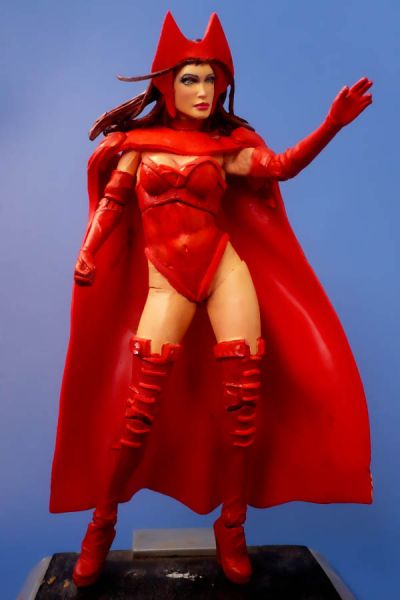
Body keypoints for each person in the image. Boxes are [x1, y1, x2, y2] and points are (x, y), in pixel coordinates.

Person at [50, 12, 373, 588]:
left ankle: (232, 524)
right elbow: (113, 204)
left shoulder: (225, 149)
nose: (204, 91)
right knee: (137, 414)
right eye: (190, 79)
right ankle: (101, 524)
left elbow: (280, 167)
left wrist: (331, 125)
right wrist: (89, 251)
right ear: (166, 85)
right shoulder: (136, 147)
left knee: (243, 409)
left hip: (224, 271)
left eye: (211, 80)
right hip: (166, 280)